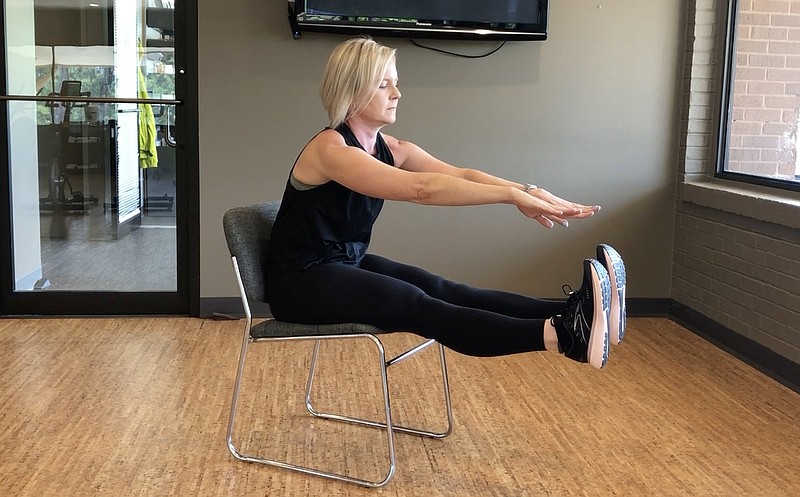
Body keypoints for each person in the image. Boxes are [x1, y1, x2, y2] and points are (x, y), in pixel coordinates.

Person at [267, 37, 627, 369]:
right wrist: (511, 196)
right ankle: (566, 337)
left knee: (444, 289)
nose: (397, 93)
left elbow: (463, 175)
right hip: (300, 283)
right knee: (418, 305)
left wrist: (528, 191)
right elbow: (421, 188)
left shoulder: (391, 149)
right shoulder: (331, 149)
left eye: (395, 82)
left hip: (345, 264)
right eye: (384, 84)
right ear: (353, 90)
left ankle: (581, 311)